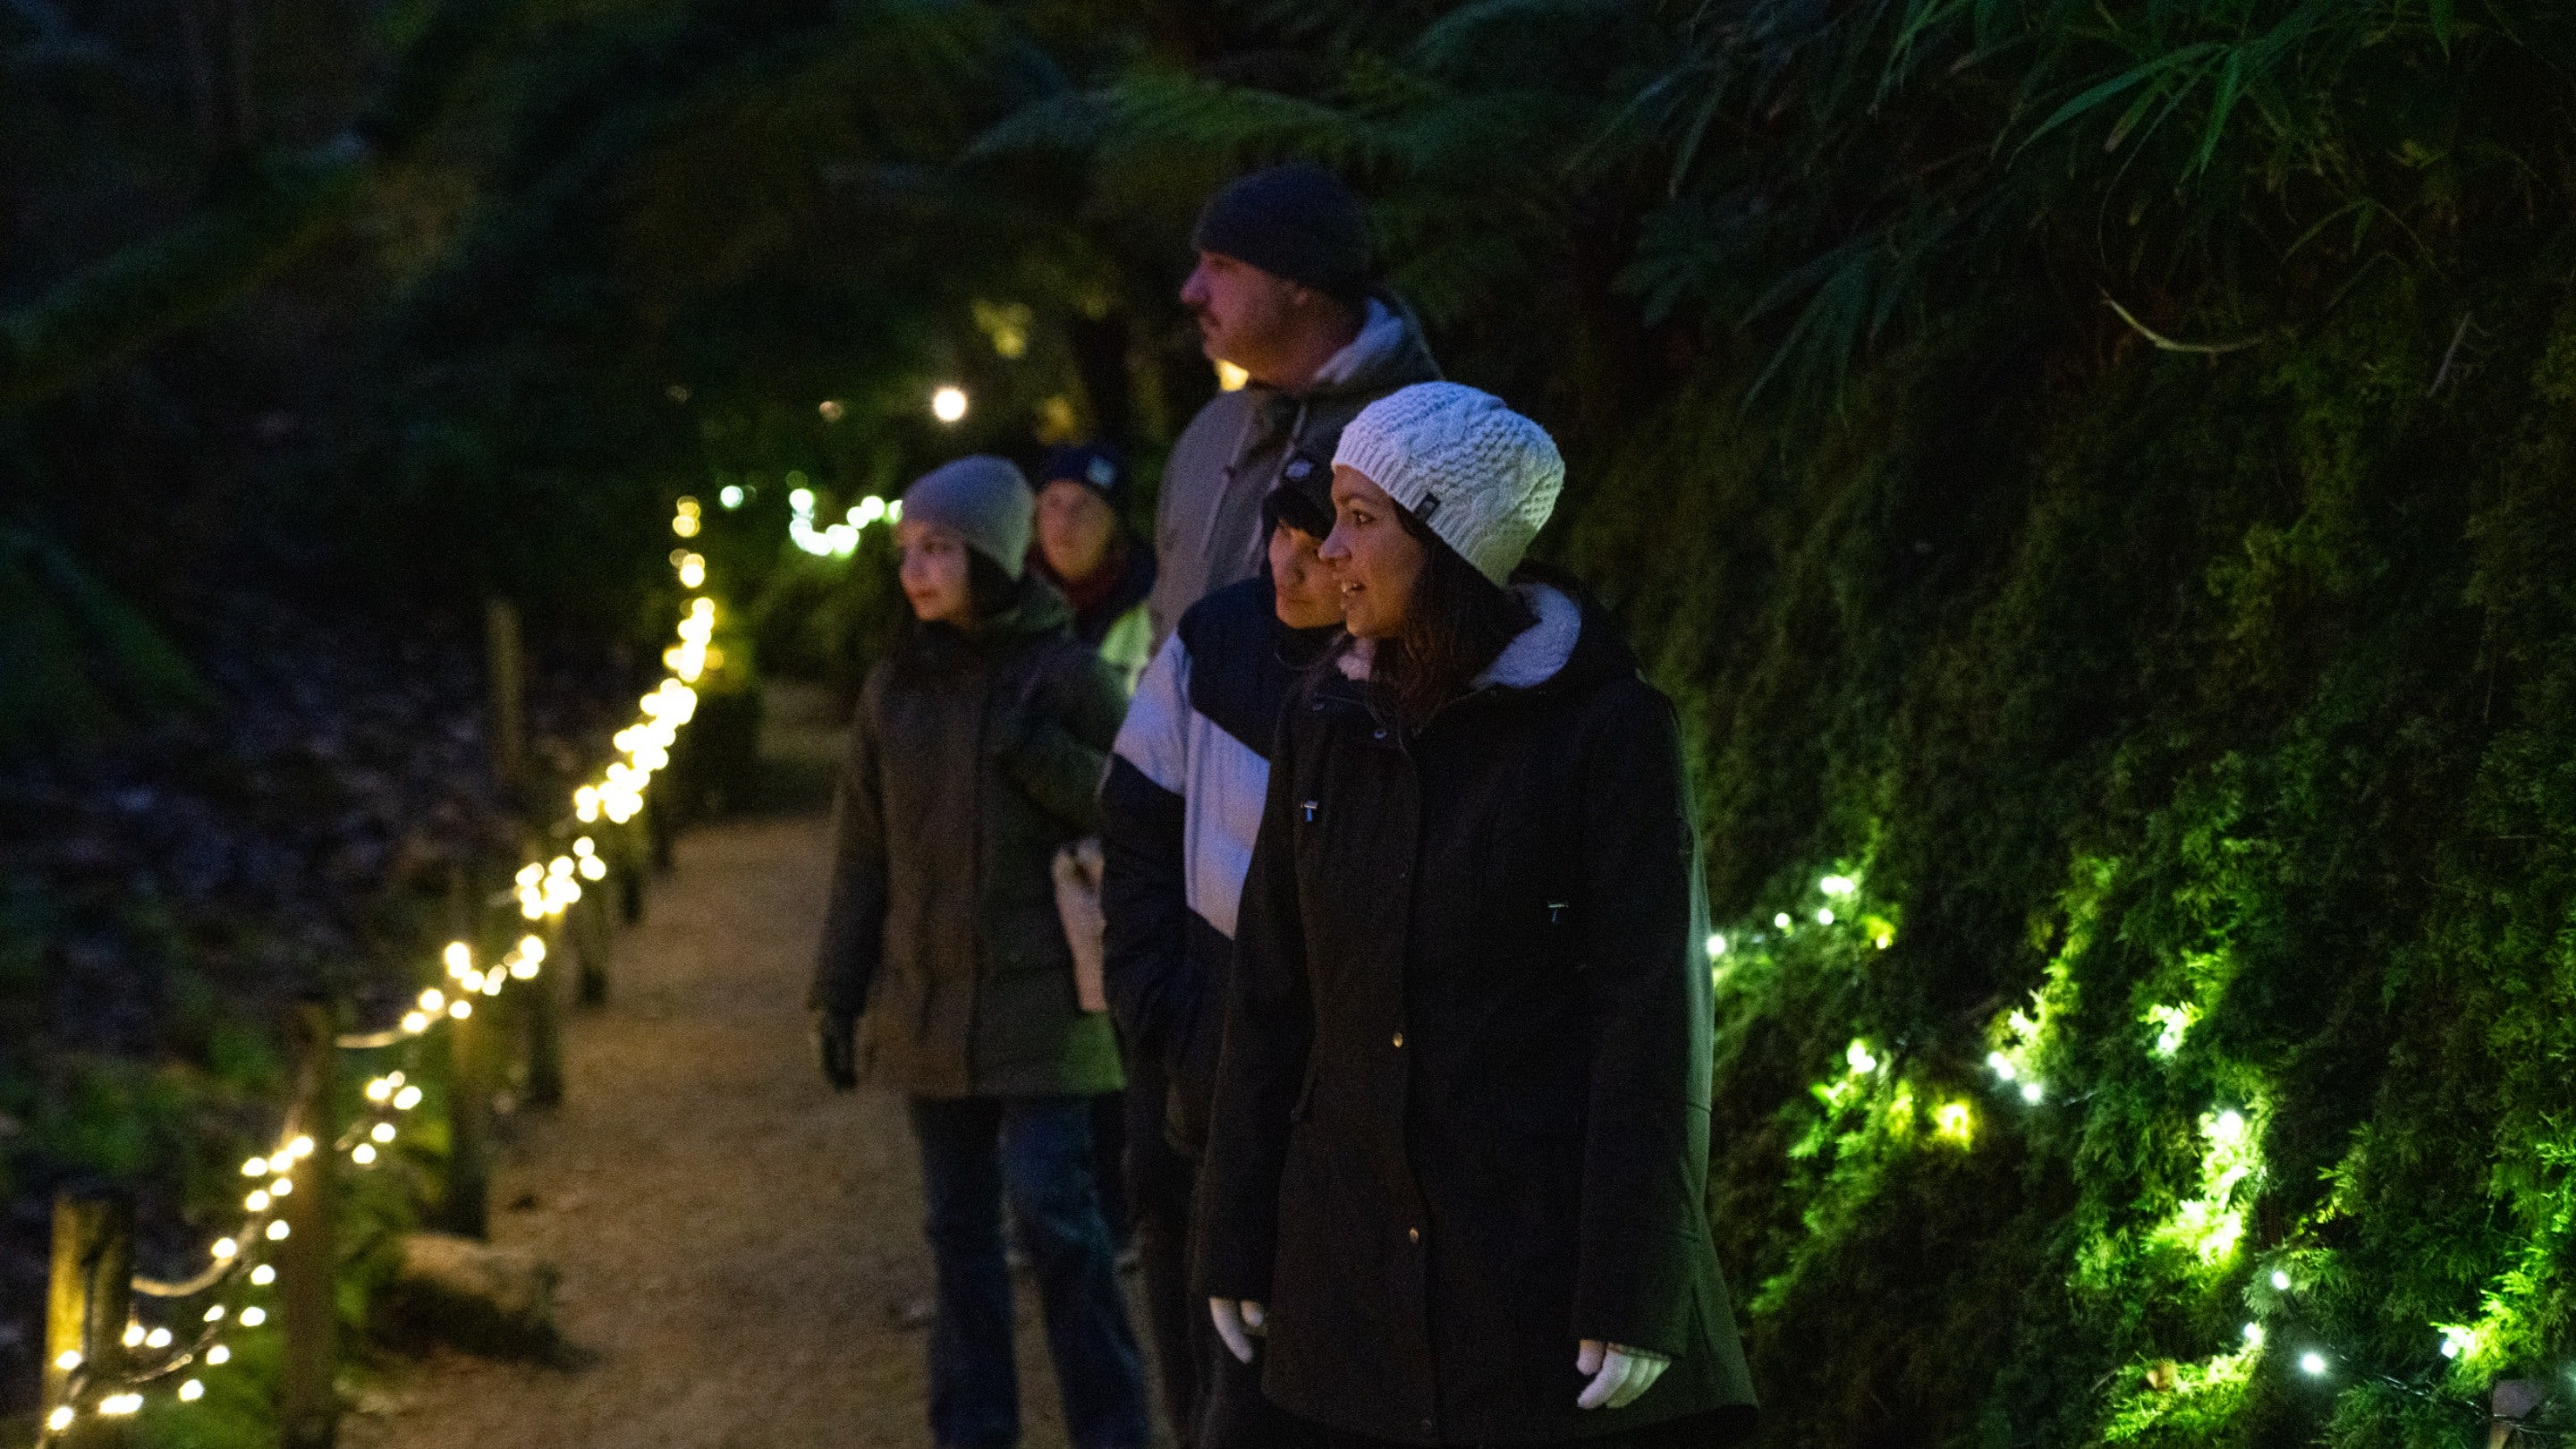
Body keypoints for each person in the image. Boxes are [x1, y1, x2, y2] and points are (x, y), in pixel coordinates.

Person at [1193, 384, 1760, 1447]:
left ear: (1450, 539)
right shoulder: (1324, 719)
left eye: (1363, 519)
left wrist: (1635, 1286)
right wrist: (1231, 1231)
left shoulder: (1607, 734)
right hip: (1347, 1263)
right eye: (1333, 515)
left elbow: (1649, 1017)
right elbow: (1272, 992)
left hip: (1528, 1264)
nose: (1329, 551)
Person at [809, 454, 1149, 1449]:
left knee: (1060, 1222)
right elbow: (863, 853)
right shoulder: (895, 691)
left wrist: (1041, 760)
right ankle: (973, 1429)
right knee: (958, 1237)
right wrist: (838, 995)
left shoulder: (1068, 673)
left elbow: (1140, 813)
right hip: (926, 1005)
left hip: (1045, 1006)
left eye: (941, 548)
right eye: (907, 550)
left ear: (994, 556)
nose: (915, 569)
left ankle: (1112, 1427)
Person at [1099, 461, 1346, 1449]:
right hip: (1197, 1040)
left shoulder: (1392, 674)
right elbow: (1136, 818)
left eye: (1321, 537)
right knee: (1197, 1317)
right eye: (1280, 529)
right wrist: (1155, 997)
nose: (1291, 557)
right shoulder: (1218, 638)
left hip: (1323, 1077)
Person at [1146, 163, 1440, 648]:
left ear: (1300, 282)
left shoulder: (1418, 438)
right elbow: (1164, 620)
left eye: (1223, 266)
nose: (1191, 291)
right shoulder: (1210, 432)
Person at [1030, 444, 1157, 693]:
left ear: (1114, 523)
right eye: (1053, 504)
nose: (1064, 521)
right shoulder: (1009, 599)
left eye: (1082, 505)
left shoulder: (1155, 602)